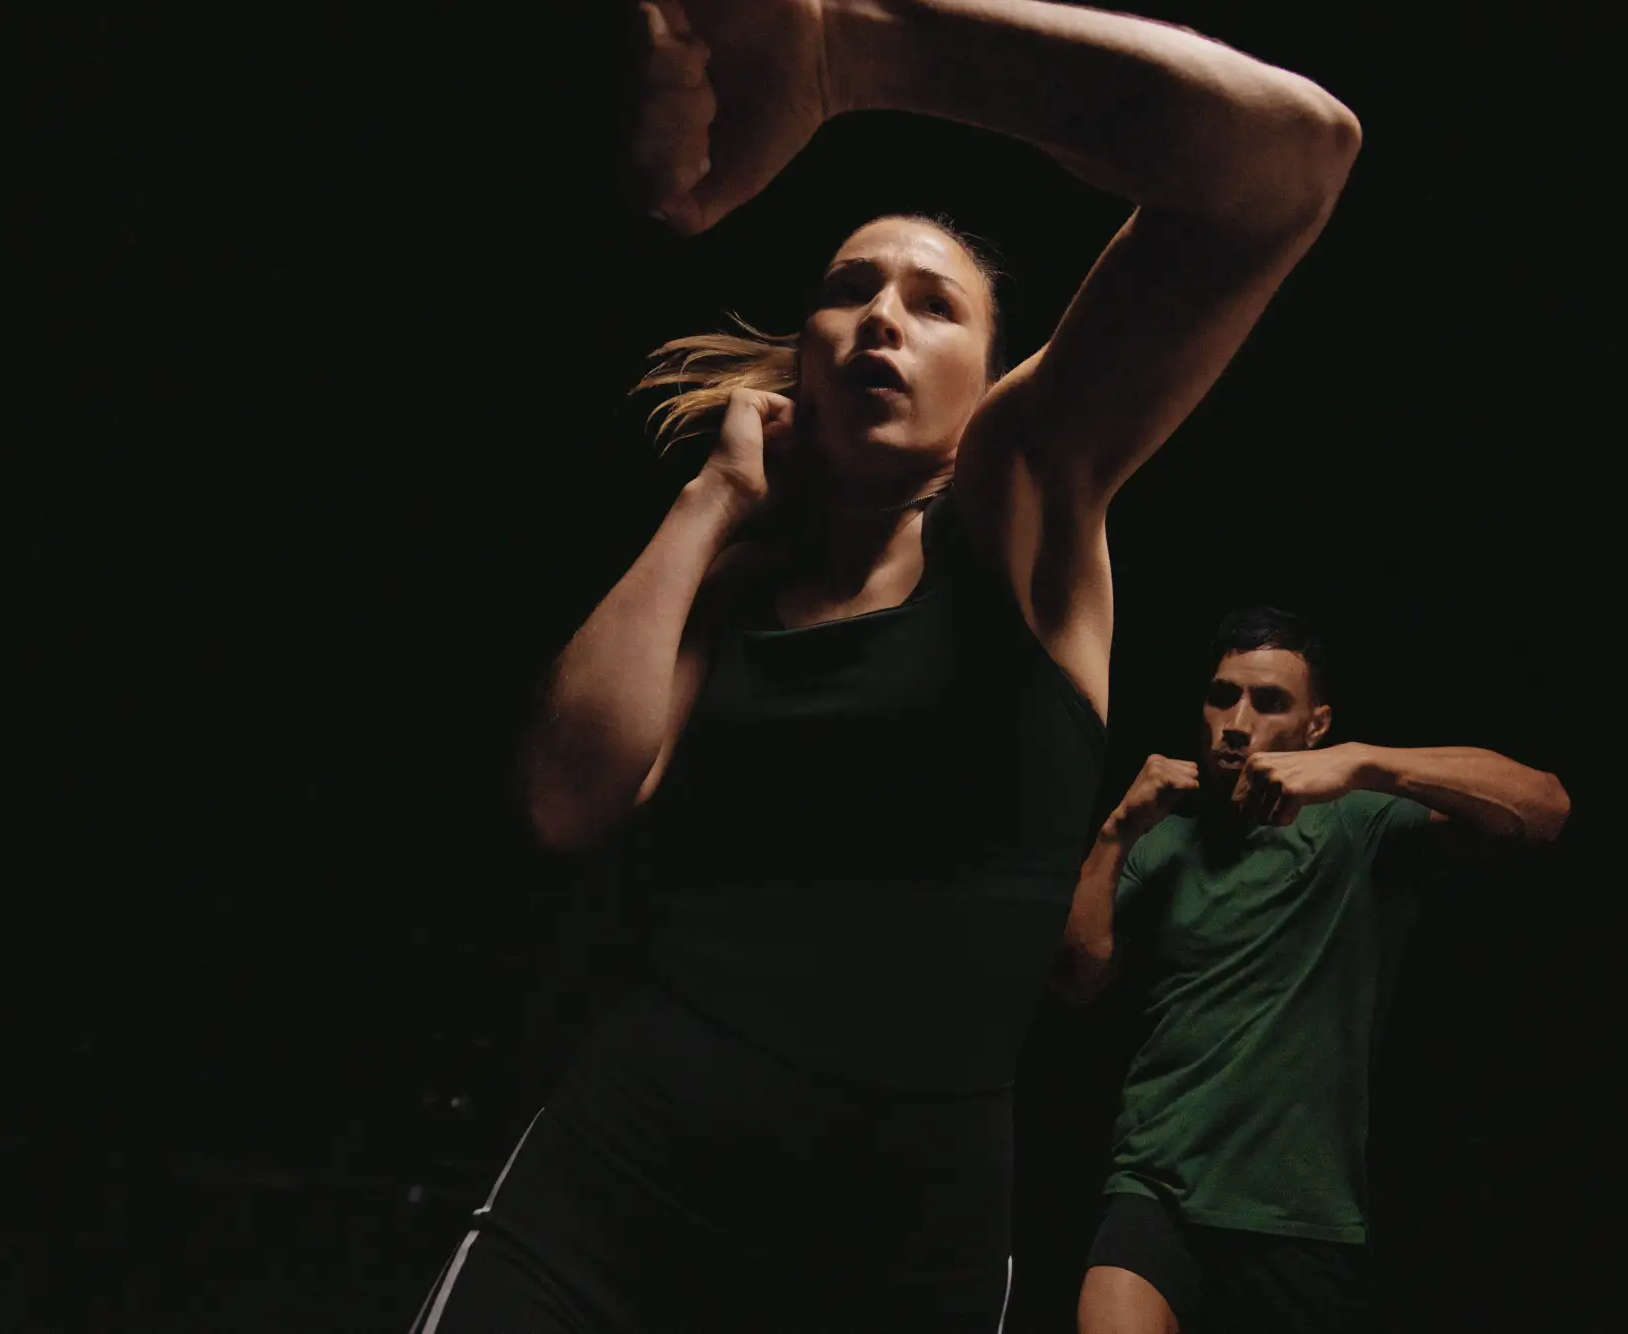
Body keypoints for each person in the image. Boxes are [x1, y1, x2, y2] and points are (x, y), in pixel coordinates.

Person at [410, 3, 1363, 1330]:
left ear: (992, 376)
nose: (881, 318)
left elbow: (1291, 156)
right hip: (616, 1196)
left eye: (933, 303)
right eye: (850, 288)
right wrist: (707, 503)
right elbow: (567, 795)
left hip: (891, 1252)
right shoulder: (734, 583)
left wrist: (855, 48)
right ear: (799, 359)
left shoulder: (1025, 514)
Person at [1060, 605, 1572, 1334]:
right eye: (1222, 696)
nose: (1237, 722)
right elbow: (1077, 980)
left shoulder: (1359, 825)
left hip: (1303, 1219)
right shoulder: (1162, 839)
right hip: (1157, 1188)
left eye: (1270, 703)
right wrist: (1114, 832)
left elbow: (1545, 808)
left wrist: (1367, 763)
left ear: (1314, 726)